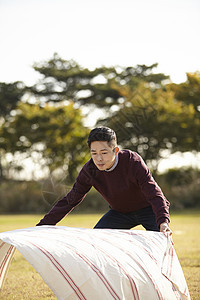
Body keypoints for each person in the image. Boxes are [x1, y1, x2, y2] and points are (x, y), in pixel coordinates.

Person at [37, 126, 171, 233]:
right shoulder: (89, 171)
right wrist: (42, 226)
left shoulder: (132, 161)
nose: (99, 158)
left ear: (116, 150)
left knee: (162, 239)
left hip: (148, 209)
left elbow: (154, 193)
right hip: (120, 213)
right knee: (97, 241)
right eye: (94, 153)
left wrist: (163, 221)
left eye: (104, 153)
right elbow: (69, 201)